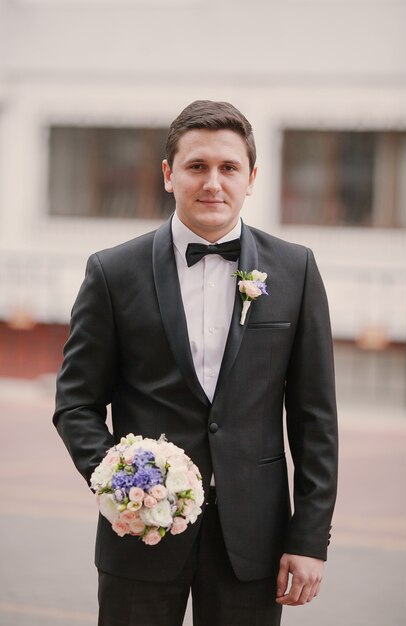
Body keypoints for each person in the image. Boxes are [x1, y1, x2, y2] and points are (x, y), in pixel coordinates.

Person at [53, 100, 338, 626]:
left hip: (254, 544)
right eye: (197, 166)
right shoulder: (112, 272)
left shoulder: (296, 270)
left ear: (251, 178)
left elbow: (315, 420)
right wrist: (120, 484)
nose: (213, 183)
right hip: (137, 540)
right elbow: (76, 404)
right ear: (168, 174)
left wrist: (310, 538)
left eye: (229, 168)